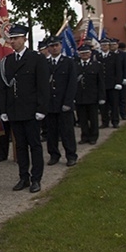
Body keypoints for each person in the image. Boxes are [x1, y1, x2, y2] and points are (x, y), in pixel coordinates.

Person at [0, 24, 50, 193]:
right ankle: (23, 177)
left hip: (31, 111)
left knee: (34, 145)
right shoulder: (8, 61)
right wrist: (4, 110)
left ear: (24, 39)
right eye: (11, 39)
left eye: (16, 38)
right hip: (14, 111)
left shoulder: (36, 58)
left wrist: (42, 108)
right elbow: (5, 88)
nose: (12, 42)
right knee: (19, 147)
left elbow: (43, 86)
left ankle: (36, 178)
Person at [45, 36, 78, 167]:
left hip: (64, 102)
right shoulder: (45, 63)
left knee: (67, 132)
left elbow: (72, 84)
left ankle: (71, 155)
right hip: (50, 104)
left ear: (61, 46)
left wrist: (68, 103)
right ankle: (54, 155)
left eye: (56, 45)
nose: (54, 48)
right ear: (48, 48)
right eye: (51, 46)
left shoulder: (68, 62)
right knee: (51, 132)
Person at [75, 44, 106, 145]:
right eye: (82, 53)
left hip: (92, 96)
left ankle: (93, 136)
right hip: (80, 96)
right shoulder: (75, 65)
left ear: (90, 53)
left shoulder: (97, 65)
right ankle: (84, 136)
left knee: (93, 118)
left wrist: (102, 97)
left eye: (86, 53)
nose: (84, 55)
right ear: (79, 54)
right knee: (82, 119)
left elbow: (101, 82)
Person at [97, 39, 123, 128]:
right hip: (102, 85)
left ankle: (115, 121)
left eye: (105, 45)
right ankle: (105, 122)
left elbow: (118, 70)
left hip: (112, 84)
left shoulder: (114, 56)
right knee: (103, 106)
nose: (104, 47)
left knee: (114, 104)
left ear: (109, 46)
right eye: (102, 45)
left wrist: (118, 82)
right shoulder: (97, 56)